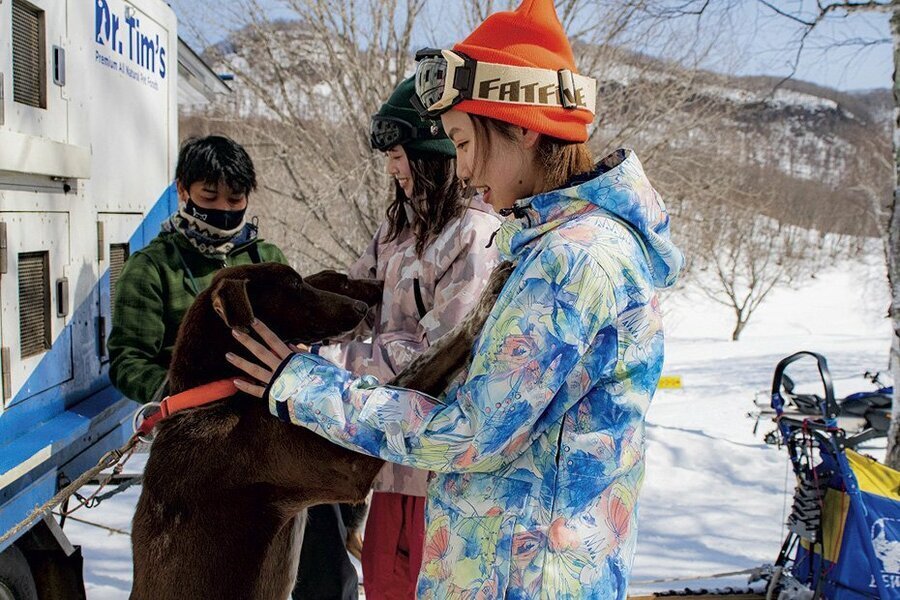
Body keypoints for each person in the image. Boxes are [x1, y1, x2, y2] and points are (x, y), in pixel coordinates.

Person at [227, 0, 684, 597]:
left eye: (464, 142)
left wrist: (304, 385)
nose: (462, 169)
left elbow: (467, 433)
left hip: (520, 579)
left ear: (521, 125)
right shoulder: (557, 246)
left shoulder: (571, 261)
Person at [309, 77, 502, 600]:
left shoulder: (475, 237)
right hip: (390, 461)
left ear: (432, 153)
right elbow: (356, 304)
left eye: (399, 155)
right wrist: (303, 323)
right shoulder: (399, 228)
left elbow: (436, 353)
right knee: (386, 586)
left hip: (440, 467)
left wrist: (323, 364)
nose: (393, 170)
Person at [109, 135, 288, 405]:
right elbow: (128, 361)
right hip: (195, 421)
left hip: (264, 414)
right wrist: (182, 394)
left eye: (235, 198)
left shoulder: (266, 259)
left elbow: (294, 331)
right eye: (209, 195)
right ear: (182, 190)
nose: (223, 208)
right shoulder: (152, 267)